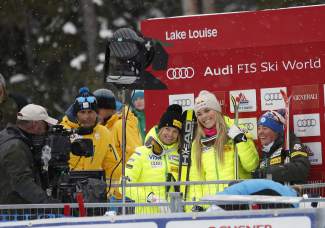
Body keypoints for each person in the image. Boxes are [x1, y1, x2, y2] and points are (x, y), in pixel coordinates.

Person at [188, 90, 259, 210]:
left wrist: (241, 140)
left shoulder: (236, 130)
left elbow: (251, 166)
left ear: (216, 110)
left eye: (207, 110)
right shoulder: (197, 143)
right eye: (199, 114)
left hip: (239, 201)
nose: (204, 116)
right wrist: (196, 205)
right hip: (212, 206)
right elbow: (196, 178)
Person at [60, 87, 120, 197]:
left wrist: (110, 193)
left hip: (95, 194)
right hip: (66, 194)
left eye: (90, 112)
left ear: (97, 113)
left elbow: (113, 166)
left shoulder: (104, 133)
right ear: (75, 114)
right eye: (82, 112)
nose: (87, 117)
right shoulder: (62, 132)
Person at [125, 104, 184, 214]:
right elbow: (124, 186)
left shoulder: (180, 155)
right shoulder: (142, 152)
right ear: (160, 129)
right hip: (147, 217)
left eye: (175, 131)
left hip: (173, 215)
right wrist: (151, 198)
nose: (170, 134)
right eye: (167, 129)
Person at [0, 104, 59, 204]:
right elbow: (22, 183)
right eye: (45, 125)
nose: (47, 129)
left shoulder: (13, 139)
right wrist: (49, 204)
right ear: (35, 124)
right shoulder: (15, 147)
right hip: (11, 212)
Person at [253, 109, 310, 184]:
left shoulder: (290, 144)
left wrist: (268, 172)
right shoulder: (266, 151)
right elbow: (269, 177)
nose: (260, 132)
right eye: (259, 128)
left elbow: (302, 169)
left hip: (289, 194)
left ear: (276, 131)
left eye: (265, 128)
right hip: (272, 195)